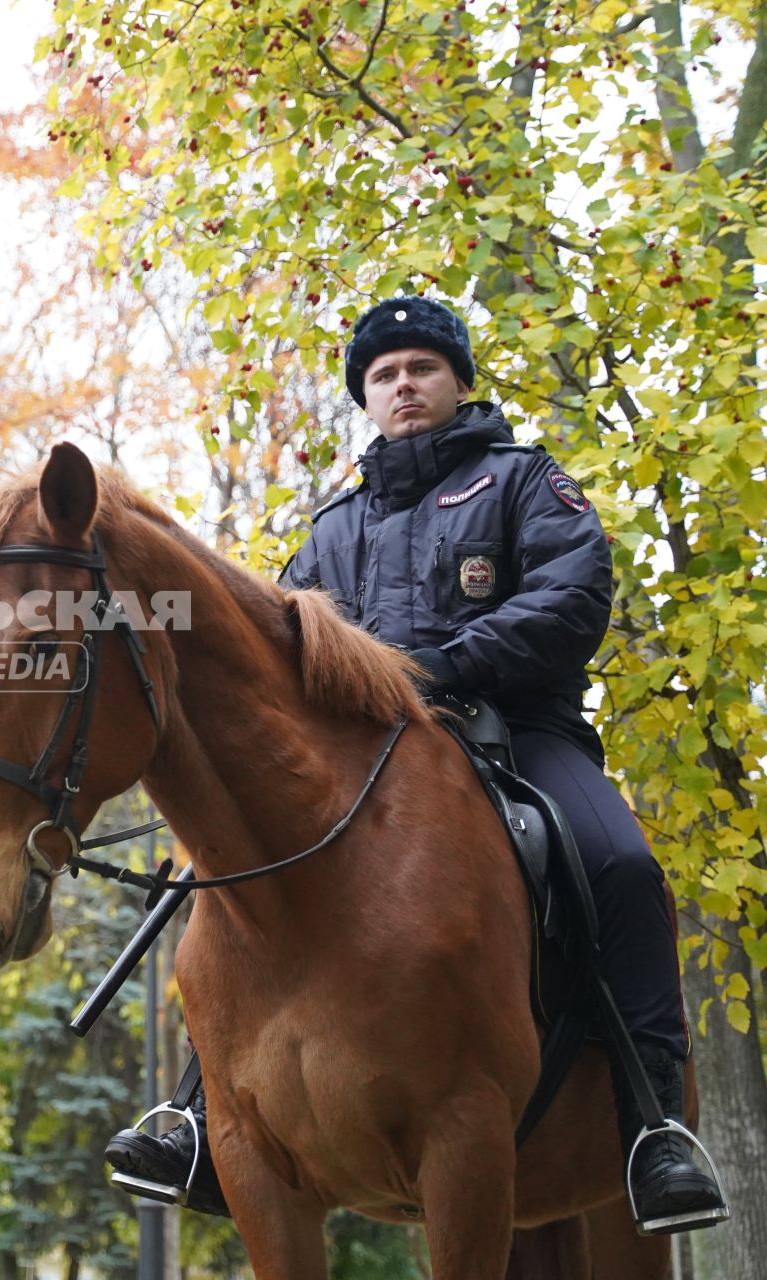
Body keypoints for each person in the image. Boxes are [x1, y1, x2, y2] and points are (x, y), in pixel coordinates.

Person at [102, 296, 728, 1235]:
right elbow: (285, 654)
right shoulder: (333, 526)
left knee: (624, 864)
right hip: (364, 758)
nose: (403, 385)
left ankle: (654, 1124)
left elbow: (572, 597)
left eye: (421, 368)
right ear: (367, 396)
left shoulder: (523, 482)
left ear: (458, 381)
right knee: (231, 886)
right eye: (384, 374)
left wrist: (445, 666)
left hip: (513, 731)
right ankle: (198, 1110)